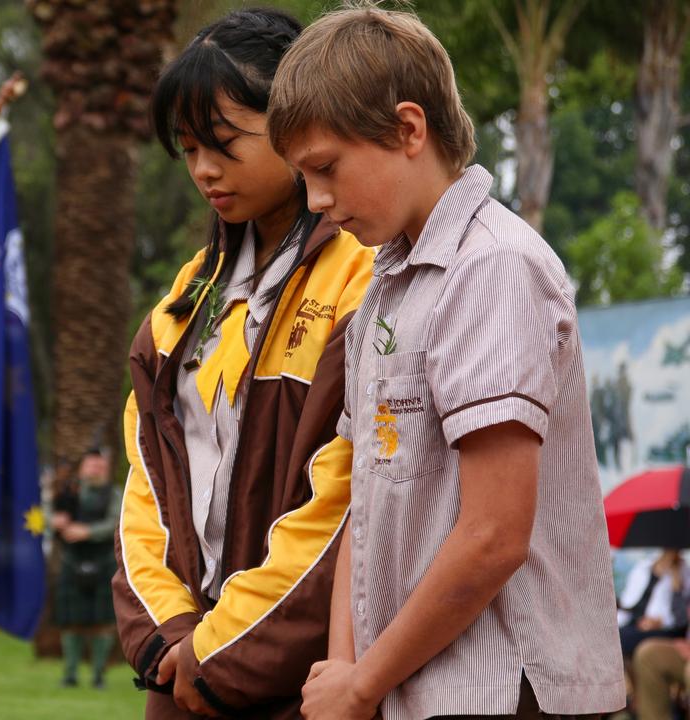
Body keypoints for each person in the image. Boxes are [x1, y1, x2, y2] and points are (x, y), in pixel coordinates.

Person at [267, 7, 625, 719]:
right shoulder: (383, 286)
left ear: (408, 129)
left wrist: (363, 684)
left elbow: (494, 536)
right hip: (411, 689)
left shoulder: (492, 267)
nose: (318, 203)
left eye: (326, 169)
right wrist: (345, 670)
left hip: (505, 692)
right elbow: (363, 501)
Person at [112, 8, 375, 718]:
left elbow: (344, 502)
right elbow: (147, 492)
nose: (203, 170)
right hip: (184, 675)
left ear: (294, 123)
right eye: (189, 147)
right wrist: (169, 634)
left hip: (302, 676)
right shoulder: (181, 301)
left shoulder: (365, 276)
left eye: (223, 143)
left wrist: (225, 647)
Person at [51, 446, 121, 690]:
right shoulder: (66, 492)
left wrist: (87, 532)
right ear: (83, 467)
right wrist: (56, 523)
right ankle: (69, 674)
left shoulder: (114, 494)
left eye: (101, 465)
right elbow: (51, 519)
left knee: (103, 621)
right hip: (72, 561)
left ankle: (99, 675)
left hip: (103, 562)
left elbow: (116, 522)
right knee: (71, 620)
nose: (96, 468)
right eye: (92, 464)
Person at [618, 549, 690, 659]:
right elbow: (627, 603)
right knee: (612, 636)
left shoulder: (683, 572)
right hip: (636, 623)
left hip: (666, 630)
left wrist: (661, 621)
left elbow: (681, 619)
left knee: (622, 639)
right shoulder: (643, 567)